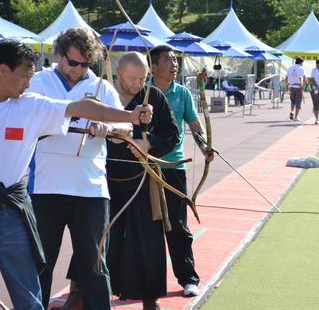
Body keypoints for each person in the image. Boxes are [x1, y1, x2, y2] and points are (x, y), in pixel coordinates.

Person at [0, 38, 153, 310]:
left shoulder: (31, 105)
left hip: (11, 214)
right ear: (3, 71)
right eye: (25, 76)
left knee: (29, 299)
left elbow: (80, 107)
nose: (29, 83)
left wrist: (130, 117)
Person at [60, 52, 179, 310]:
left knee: (148, 240)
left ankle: (151, 299)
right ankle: (78, 292)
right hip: (102, 179)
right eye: (132, 78)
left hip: (141, 180)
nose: (138, 84)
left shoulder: (153, 96)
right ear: (119, 73)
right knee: (93, 237)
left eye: (143, 78)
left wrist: (149, 143)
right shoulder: (102, 94)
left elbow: (172, 134)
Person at [27, 28, 132, 310]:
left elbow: (127, 127)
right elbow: (27, 118)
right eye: (73, 62)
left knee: (94, 267)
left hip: (91, 190)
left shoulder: (102, 87)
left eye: (85, 64)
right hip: (45, 187)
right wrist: (69, 115)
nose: (78, 69)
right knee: (39, 264)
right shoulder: (39, 82)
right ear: (59, 55)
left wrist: (108, 127)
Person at [151, 45, 213, 298]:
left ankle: (188, 278)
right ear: (153, 66)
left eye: (175, 60)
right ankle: (146, 282)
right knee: (146, 226)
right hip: (146, 166)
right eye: (167, 60)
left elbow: (195, 125)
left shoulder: (182, 93)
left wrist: (205, 146)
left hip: (174, 166)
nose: (174, 64)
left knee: (177, 225)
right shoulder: (144, 91)